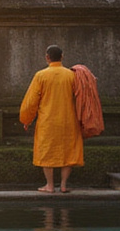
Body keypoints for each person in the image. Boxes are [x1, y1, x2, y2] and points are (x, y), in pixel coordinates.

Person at [19, 45, 83, 193]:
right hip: (68, 119)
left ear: (47, 58)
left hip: (48, 121)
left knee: (47, 151)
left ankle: (49, 185)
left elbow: (31, 101)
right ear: (62, 57)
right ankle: (64, 185)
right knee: (69, 151)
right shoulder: (71, 75)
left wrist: (26, 119)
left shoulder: (41, 76)